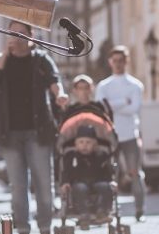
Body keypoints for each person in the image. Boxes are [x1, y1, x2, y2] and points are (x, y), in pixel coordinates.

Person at [0, 20, 70, 234]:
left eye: (22, 33)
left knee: (44, 182)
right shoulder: (2, 60)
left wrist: (60, 95)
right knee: (18, 186)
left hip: (38, 130)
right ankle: (22, 230)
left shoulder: (41, 59)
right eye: (13, 33)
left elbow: (55, 81)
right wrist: (5, 52)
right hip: (10, 133)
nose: (17, 37)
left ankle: (45, 228)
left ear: (32, 36)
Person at [95, 46, 147, 221]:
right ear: (110, 62)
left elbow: (135, 108)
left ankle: (140, 210)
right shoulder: (104, 85)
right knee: (110, 174)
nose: (118, 64)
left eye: (121, 60)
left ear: (126, 62)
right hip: (110, 136)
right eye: (115, 61)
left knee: (135, 173)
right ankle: (110, 209)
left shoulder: (135, 85)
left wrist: (113, 105)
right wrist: (123, 101)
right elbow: (101, 108)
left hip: (130, 134)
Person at [61, 126, 114, 222]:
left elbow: (107, 171)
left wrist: (111, 181)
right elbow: (66, 172)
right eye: (81, 142)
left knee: (105, 186)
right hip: (79, 182)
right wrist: (65, 183)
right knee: (80, 188)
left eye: (88, 142)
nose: (84, 145)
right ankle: (83, 213)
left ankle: (102, 211)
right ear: (76, 144)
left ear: (95, 144)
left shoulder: (100, 156)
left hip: (97, 180)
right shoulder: (72, 157)